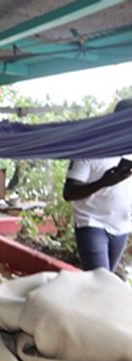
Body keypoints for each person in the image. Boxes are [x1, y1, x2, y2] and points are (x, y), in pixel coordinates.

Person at [63, 99, 132, 272]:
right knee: (99, 280)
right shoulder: (90, 150)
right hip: (92, 222)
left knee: (104, 280)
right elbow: (69, 192)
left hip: (121, 226)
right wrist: (103, 182)